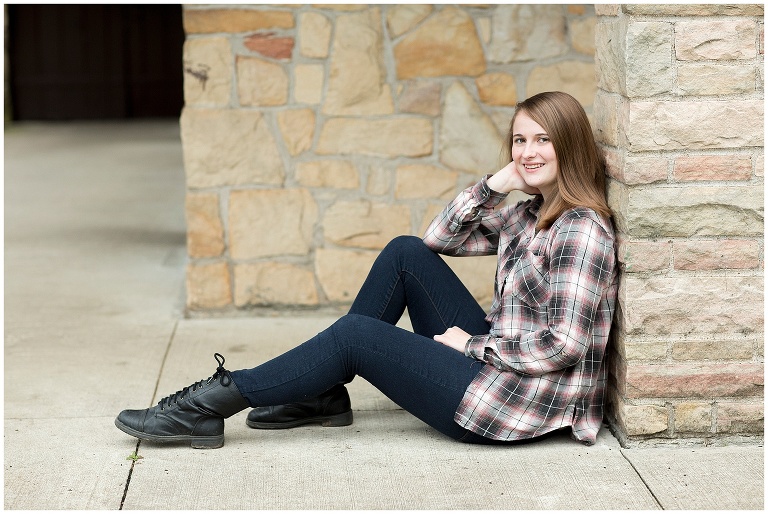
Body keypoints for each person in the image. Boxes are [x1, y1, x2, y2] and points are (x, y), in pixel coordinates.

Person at [115, 91, 619, 449]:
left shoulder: (581, 231)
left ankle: (208, 405)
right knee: (405, 253)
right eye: (519, 140)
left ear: (570, 146)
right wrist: (493, 185)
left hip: (511, 402)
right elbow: (438, 240)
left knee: (356, 336)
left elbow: (564, 345)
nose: (528, 153)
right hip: (497, 361)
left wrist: (469, 345)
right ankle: (323, 394)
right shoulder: (529, 214)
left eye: (543, 140)